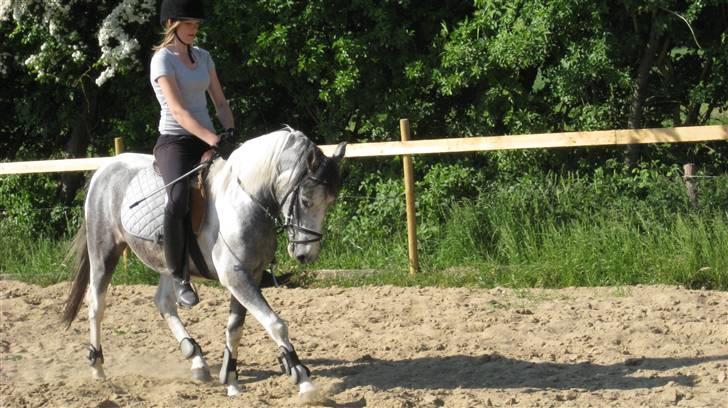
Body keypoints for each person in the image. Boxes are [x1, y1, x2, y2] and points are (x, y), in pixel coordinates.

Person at [150, 0, 235, 308]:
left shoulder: (203, 57)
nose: (195, 30)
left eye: (197, 25)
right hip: (175, 141)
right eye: (190, 25)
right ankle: (179, 275)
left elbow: (220, 102)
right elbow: (180, 112)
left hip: (209, 140)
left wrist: (229, 132)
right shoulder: (162, 61)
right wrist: (213, 137)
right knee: (177, 199)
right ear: (172, 23)